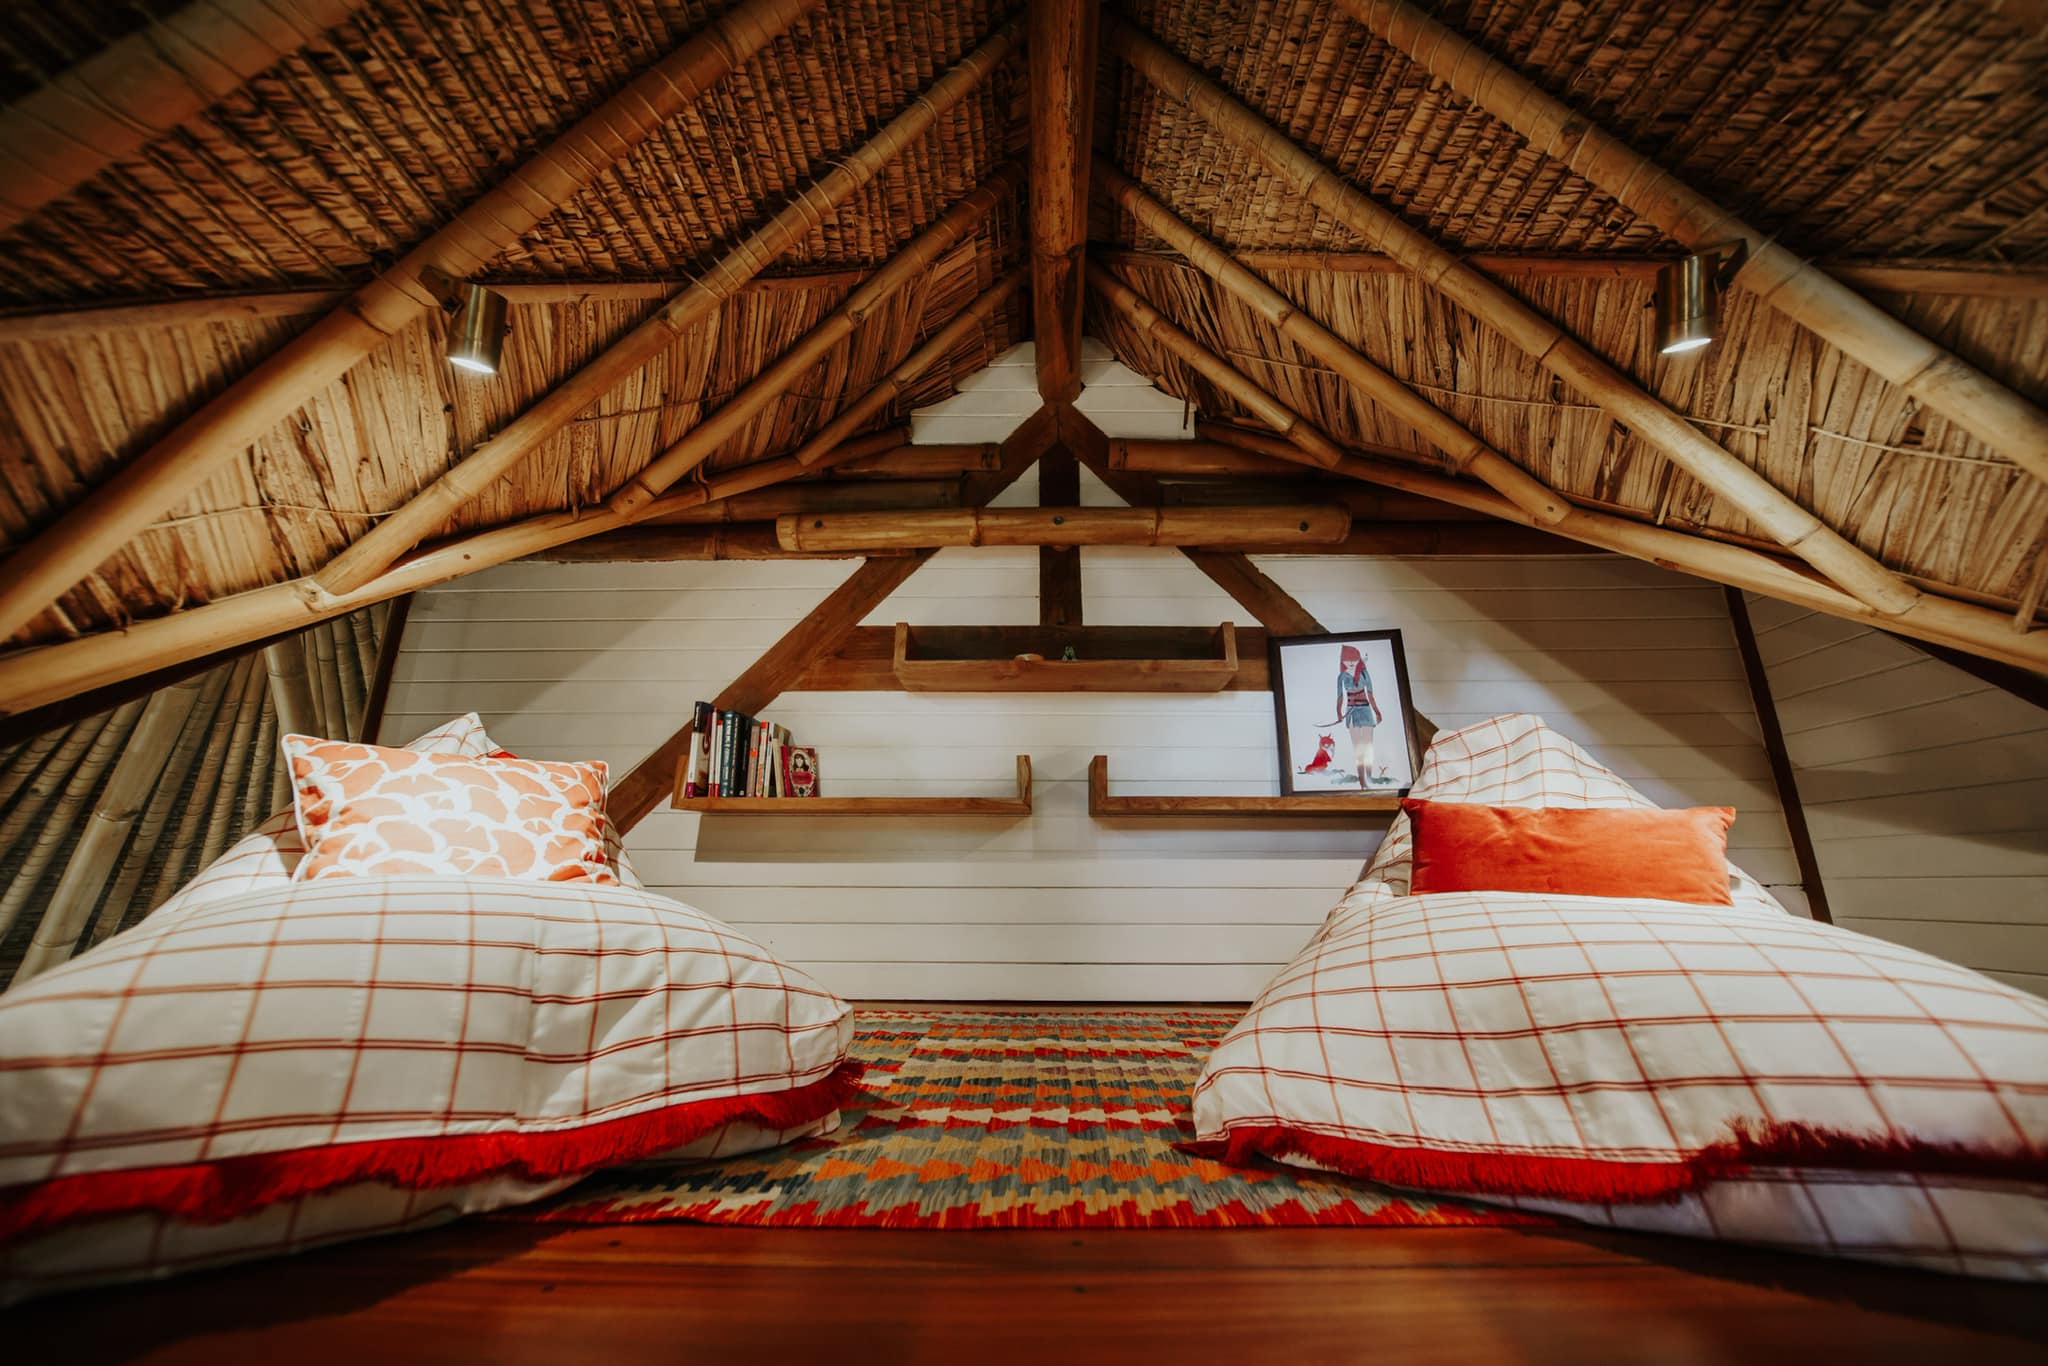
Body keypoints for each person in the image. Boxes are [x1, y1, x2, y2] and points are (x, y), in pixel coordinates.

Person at [1333, 644, 1386, 788]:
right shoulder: (1342, 677)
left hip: (1366, 710)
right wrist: (1339, 714)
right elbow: (1339, 697)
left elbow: (1370, 694)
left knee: (1368, 746)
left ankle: (1369, 778)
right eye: (1347, 660)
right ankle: (1362, 782)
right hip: (1351, 712)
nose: (1350, 663)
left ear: (1358, 659)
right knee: (1358, 748)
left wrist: (1377, 712)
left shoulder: (1364, 673)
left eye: (1354, 659)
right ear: (1342, 661)